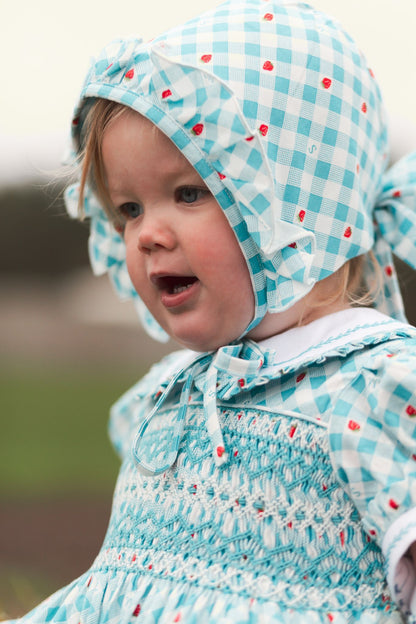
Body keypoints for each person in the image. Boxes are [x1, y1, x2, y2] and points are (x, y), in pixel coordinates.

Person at [5, 0, 416, 621]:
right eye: (129, 209)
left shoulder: (376, 387)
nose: (145, 235)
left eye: (189, 192)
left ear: (303, 206)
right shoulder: (166, 398)